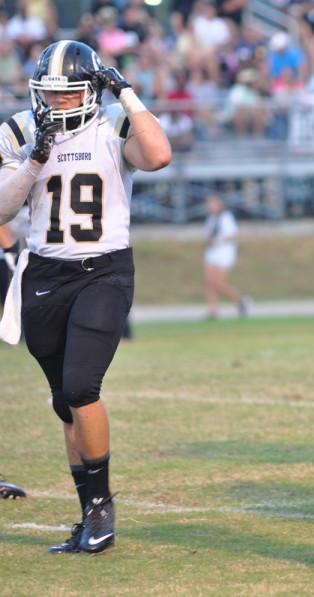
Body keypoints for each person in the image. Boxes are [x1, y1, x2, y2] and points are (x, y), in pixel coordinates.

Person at [0, 40, 171, 553]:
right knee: (64, 401)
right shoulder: (20, 129)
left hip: (104, 271)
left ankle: (101, 509)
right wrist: (35, 160)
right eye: (51, 95)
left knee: (80, 387)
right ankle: (88, 515)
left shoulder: (115, 123)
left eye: (72, 94)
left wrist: (129, 94)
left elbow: (159, 155)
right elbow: (2, 211)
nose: (60, 104)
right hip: (45, 273)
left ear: (94, 91)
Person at [204, 195, 248, 320]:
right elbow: (208, 233)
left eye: (213, 204)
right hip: (211, 252)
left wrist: (218, 242)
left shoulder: (226, 217)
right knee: (209, 282)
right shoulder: (211, 218)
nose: (210, 206)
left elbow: (232, 235)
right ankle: (213, 309)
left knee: (219, 283)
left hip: (224, 252)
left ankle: (240, 300)